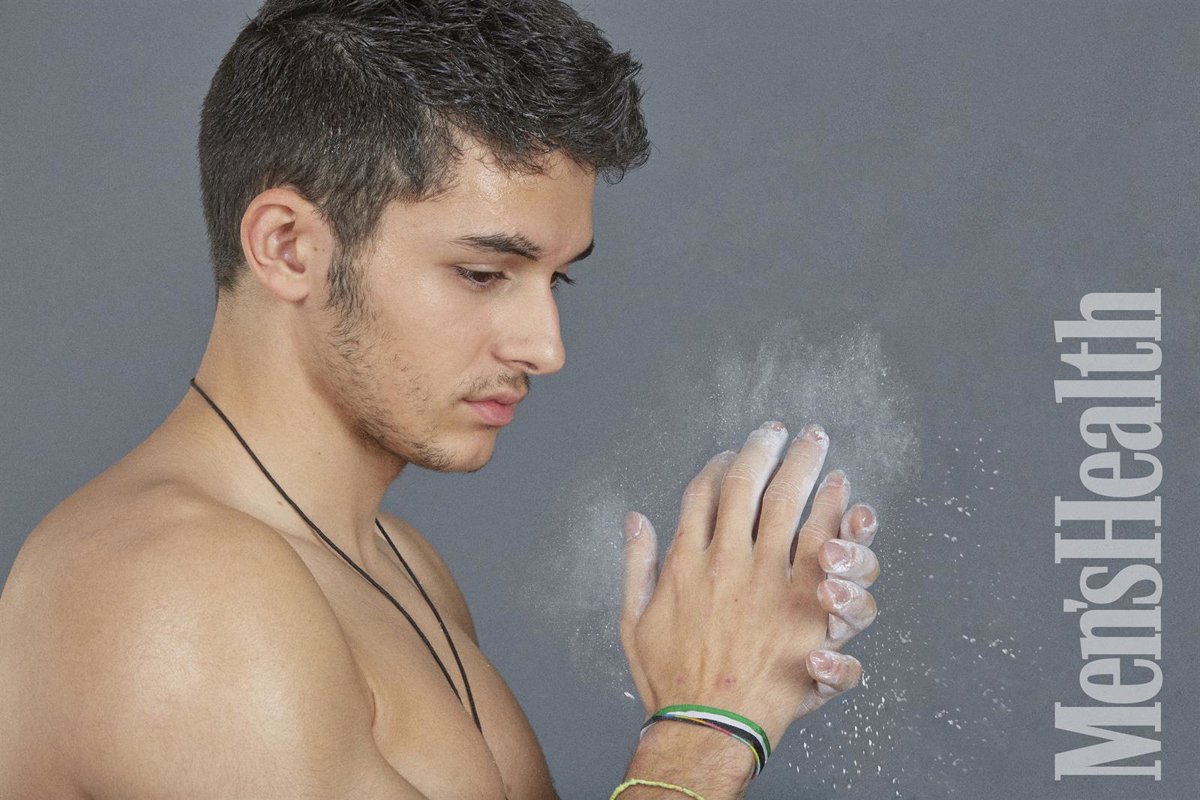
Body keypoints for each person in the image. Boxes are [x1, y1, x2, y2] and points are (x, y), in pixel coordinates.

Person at [0, 1, 882, 798]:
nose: (545, 348)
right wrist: (703, 732)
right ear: (289, 247)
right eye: (483, 273)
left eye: (556, 280)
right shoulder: (173, 590)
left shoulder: (400, 563)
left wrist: (713, 664)